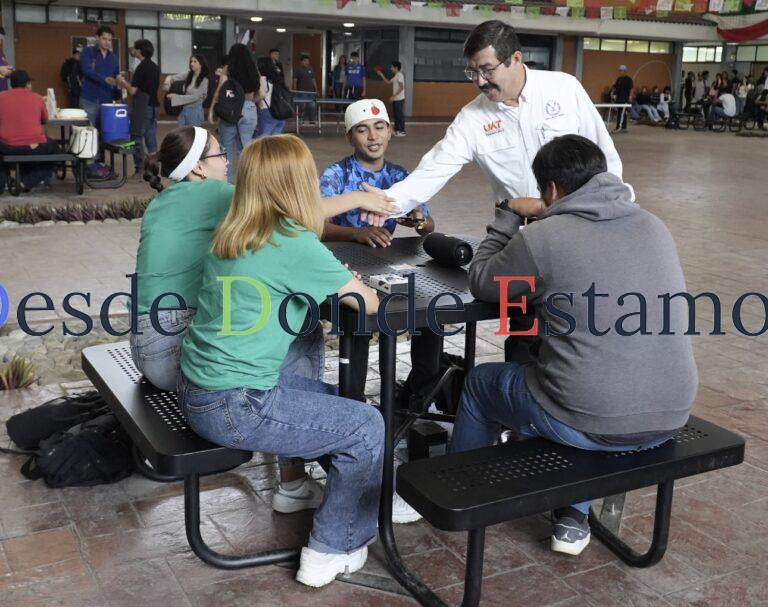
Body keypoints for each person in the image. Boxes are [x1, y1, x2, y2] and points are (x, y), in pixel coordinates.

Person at [453, 134, 698, 556]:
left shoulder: (545, 237)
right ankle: (573, 514)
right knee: (566, 375)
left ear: (550, 190)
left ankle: (459, 492)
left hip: (593, 420)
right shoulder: (654, 225)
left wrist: (508, 213)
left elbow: (483, 280)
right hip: (671, 411)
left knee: (483, 383)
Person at [177, 134, 385, 588]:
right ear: (298, 184)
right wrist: (348, 279)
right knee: (366, 426)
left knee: (341, 403)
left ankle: (369, 494)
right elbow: (367, 303)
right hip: (236, 405)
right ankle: (331, 547)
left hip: (199, 390)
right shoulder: (291, 241)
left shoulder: (232, 232)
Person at [380, 20, 629, 365]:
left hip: (583, 239)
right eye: (472, 72)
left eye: (486, 69)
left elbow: (607, 160)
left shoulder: (564, 90)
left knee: (583, 340)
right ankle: (517, 408)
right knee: (525, 343)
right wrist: (381, 205)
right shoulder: (473, 120)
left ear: (515, 58)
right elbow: (431, 171)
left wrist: (615, 220)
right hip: (529, 247)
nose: (480, 81)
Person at [320, 99, 438, 416]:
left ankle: (414, 396)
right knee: (359, 324)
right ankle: (355, 409)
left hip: (385, 267)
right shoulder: (335, 175)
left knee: (430, 312)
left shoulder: (400, 176)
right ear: (350, 136)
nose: (372, 136)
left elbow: (428, 226)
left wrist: (416, 218)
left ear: (388, 132)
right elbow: (313, 225)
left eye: (379, 127)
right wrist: (354, 233)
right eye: (362, 129)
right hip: (342, 272)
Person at [0, 70, 61, 189]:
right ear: (28, 84)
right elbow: (45, 119)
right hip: (33, 146)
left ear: (11, 84)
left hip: (7, 147)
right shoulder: (38, 98)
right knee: (56, 151)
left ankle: (3, 182)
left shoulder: (1, 97)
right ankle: (27, 182)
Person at [209, 43, 259, 183]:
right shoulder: (253, 69)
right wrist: (249, 103)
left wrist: (212, 110)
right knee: (245, 149)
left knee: (226, 148)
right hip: (249, 109)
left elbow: (220, 91)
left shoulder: (228, 69)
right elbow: (260, 93)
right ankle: (248, 184)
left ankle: (228, 185)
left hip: (229, 111)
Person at [117, 39, 160, 177]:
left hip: (143, 104)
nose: (133, 51)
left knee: (136, 136)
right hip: (154, 105)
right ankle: (153, 169)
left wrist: (122, 82)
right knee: (151, 136)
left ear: (140, 50)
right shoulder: (154, 67)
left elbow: (133, 91)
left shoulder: (141, 67)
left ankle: (140, 168)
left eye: (135, 49)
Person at [78, 25, 120, 129]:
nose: (107, 42)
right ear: (97, 37)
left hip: (107, 101)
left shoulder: (114, 58)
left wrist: (118, 94)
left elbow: (116, 77)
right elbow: (87, 71)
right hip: (89, 99)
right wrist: (105, 79)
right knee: (87, 133)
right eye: (104, 39)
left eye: (110, 40)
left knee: (105, 132)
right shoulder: (88, 51)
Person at [164, 54, 210, 128]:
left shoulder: (204, 80)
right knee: (182, 135)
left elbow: (195, 97)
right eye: (191, 61)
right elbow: (172, 78)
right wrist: (167, 83)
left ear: (201, 63)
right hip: (184, 109)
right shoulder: (189, 74)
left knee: (193, 136)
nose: (192, 63)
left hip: (195, 111)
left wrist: (175, 97)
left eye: (195, 61)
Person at [254, 57, 286, 136]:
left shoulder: (262, 79)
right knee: (275, 141)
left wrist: (252, 101)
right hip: (280, 112)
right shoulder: (279, 80)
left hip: (267, 111)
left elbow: (262, 95)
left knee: (263, 140)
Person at [375, 61, 406, 136]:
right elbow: (388, 82)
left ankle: (402, 131)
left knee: (399, 115)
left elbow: (402, 87)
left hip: (399, 99)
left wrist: (393, 96)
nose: (390, 68)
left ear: (396, 68)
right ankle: (397, 129)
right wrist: (381, 75)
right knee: (396, 115)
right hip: (396, 99)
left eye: (392, 67)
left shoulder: (400, 75)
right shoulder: (396, 76)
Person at [293, 53, 318, 125]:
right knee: (302, 106)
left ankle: (312, 120)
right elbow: (295, 80)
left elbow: (313, 80)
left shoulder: (311, 69)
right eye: (305, 61)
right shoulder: (297, 69)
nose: (307, 62)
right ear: (301, 62)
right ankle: (301, 119)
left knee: (313, 105)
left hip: (311, 92)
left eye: (308, 61)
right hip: (302, 91)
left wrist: (316, 90)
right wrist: (295, 91)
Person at [613, 65, 633, 132]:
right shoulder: (618, 79)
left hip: (625, 99)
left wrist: (630, 96)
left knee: (622, 113)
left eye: (621, 71)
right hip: (619, 99)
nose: (620, 72)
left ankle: (619, 127)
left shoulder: (628, 79)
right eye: (619, 71)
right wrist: (614, 94)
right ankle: (623, 127)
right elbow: (615, 88)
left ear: (625, 71)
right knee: (620, 113)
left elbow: (631, 88)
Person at [0, 27, 15, 92]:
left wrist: (10, 70)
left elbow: (3, 72)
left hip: (3, 91)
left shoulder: (1, 52)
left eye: (1, 39)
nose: (0, 42)